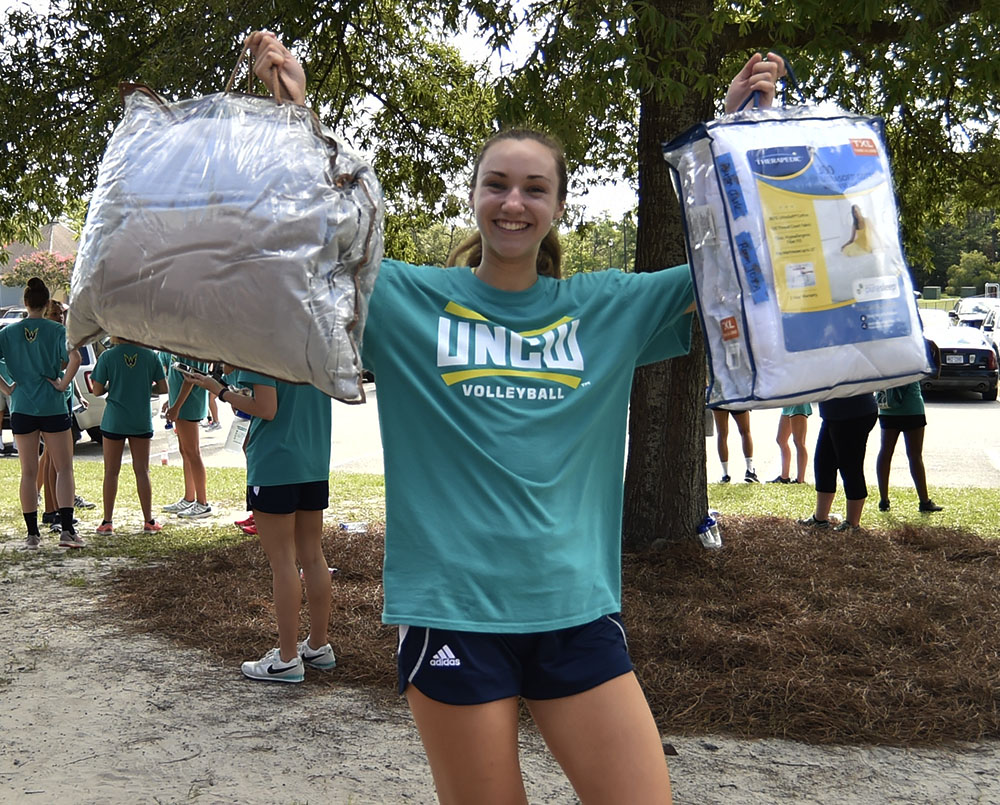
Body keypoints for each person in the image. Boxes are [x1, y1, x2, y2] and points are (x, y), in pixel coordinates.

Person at [247, 32, 781, 803]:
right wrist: (295, 110)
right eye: (497, 184)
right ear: (474, 196)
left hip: (575, 610)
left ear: (558, 206)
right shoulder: (405, 300)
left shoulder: (605, 307)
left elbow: (733, 261)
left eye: (534, 188)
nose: (513, 201)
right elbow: (314, 232)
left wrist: (735, 137)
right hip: (452, 612)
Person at [182, 366, 335, 682]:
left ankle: (287, 658)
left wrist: (219, 390)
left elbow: (266, 408)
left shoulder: (265, 349)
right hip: (314, 462)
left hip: (276, 464)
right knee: (313, 556)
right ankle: (318, 646)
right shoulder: (316, 348)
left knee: (283, 562)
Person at [0, 278, 84, 549]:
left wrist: (8, 388)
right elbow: (76, 359)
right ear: (47, 303)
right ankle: (67, 531)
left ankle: (32, 535)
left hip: (22, 404)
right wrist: (63, 383)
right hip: (53, 404)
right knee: (64, 469)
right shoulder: (57, 330)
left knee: (28, 471)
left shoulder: (8, 333)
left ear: (25, 303)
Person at [90, 338, 169, 535]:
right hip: (140, 418)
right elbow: (163, 388)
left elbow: (97, 390)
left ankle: (107, 521)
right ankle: (149, 520)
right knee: (142, 471)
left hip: (114, 419)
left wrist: (114, 387)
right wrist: (143, 388)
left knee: (111, 471)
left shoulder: (107, 356)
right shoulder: (151, 356)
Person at [798, 393, 878, 533]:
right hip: (832, 414)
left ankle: (852, 524)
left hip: (853, 413)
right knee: (823, 464)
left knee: (850, 467)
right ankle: (820, 519)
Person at [159, 352, 213, 518]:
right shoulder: (174, 348)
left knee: (193, 452)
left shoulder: (189, 349)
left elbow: (190, 379)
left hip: (189, 405)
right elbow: (175, 378)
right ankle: (189, 498)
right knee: (185, 451)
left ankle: (202, 503)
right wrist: (172, 401)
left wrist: (177, 406)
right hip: (181, 404)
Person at [875, 381, 942, 513]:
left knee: (885, 452)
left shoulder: (883, 359)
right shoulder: (914, 358)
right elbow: (932, 372)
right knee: (915, 455)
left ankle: (884, 500)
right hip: (912, 407)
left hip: (888, 407)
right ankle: (924, 501)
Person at [710, 406, 759, 483]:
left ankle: (725, 474)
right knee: (745, 431)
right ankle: (750, 470)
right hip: (736, 398)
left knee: (721, 434)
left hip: (719, 398)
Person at [769, 403, 811, 484]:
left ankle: (800, 480)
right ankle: (784, 477)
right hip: (788, 403)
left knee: (799, 442)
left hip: (799, 402)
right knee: (781, 439)